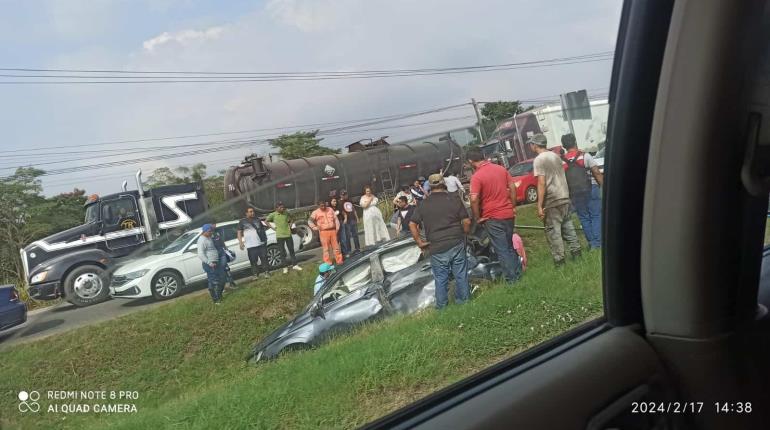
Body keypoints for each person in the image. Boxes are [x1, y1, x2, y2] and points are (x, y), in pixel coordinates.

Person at [409, 174, 472, 309]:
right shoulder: (454, 199)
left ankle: (442, 306)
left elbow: (412, 224)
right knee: (460, 274)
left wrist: (419, 242)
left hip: (436, 246)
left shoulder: (423, 204)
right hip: (455, 241)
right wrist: (464, 233)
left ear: (430, 186)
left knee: (441, 278)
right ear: (444, 184)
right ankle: (464, 302)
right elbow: (466, 221)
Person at [467, 147, 522, 283]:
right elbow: (513, 187)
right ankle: (518, 273)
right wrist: (513, 206)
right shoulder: (500, 169)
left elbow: (474, 199)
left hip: (492, 217)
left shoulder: (476, 177)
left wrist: (477, 217)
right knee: (509, 246)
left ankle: (512, 280)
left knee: (502, 249)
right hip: (508, 214)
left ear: (470, 161)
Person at [529, 133, 581, 265]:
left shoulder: (539, 160)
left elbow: (541, 182)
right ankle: (577, 254)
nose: (531, 146)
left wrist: (539, 205)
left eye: (531, 144)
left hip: (552, 200)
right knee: (568, 228)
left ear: (535, 145)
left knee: (554, 232)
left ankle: (560, 261)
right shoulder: (556, 156)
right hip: (564, 196)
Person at [561, 133, 604, 249]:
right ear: (575, 142)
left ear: (564, 146)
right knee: (595, 215)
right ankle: (597, 243)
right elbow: (596, 172)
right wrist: (603, 186)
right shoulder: (585, 156)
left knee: (584, 217)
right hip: (591, 189)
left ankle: (591, 243)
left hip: (574, 193)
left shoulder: (562, 162)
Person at [266, 202, 302, 274]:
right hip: (280, 236)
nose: (283, 208)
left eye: (283, 207)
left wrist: (290, 224)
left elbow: (291, 218)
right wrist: (272, 228)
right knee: (282, 252)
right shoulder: (273, 215)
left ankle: (295, 265)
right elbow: (266, 221)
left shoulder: (286, 213)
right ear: (277, 208)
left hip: (288, 234)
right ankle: (285, 267)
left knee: (291, 250)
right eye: (281, 207)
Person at [237, 207, 270, 279]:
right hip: (250, 246)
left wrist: (265, 239)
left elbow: (262, 229)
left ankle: (266, 272)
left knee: (264, 259)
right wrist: (240, 242)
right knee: (253, 261)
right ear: (246, 213)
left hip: (261, 244)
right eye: (250, 212)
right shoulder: (242, 222)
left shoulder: (257, 220)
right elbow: (239, 232)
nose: (252, 213)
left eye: (253, 211)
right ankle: (255, 275)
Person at [309, 199, 344, 265]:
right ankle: (328, 263)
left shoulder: (330, 209)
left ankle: (339, 261)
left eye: (324, 205)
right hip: (323, 232)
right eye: (321, 206)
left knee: (336, 247)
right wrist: (315, 227)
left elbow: (335, 219)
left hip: (333, 231)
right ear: (318, 206)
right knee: (326, 249)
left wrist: (337, 228)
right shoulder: (315, 212)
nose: (323, 207)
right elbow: (310, 221)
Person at [197, 224, 222, 304]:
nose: (211, 233)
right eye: (209, 231)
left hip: (215, 262)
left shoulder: (208, 237)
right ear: (205, 231)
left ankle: (217, 297)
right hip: (210, 264)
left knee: (213, 281)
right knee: (215, 282)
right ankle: (216, 300)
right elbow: (200, 254)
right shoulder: (202, 240)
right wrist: (209, 263)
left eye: (211, 231)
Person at [211, 223, 236, 291]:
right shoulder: (207, 235)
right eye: (212, 224)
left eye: (214, 224)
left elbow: (222, 242)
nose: (214, 226)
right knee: (218, 272)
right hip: (214, 256)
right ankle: (222, 287)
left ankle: (231, 283)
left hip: (221, 253)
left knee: (226, 268)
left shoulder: (217, 233)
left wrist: (226, 249)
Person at [339, 190, 361, 256]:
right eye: (343, 195)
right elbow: (341, 211)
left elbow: (353, 209)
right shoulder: (339, 202)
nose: (345, 196)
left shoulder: (349, 200)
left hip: (352, 219)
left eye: (345, 194)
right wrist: (345, 218)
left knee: (355, 235)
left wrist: (357, 218)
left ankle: (358, 248)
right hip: (347, 221)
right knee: (348, 236)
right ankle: (349, 250)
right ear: (340, 195)